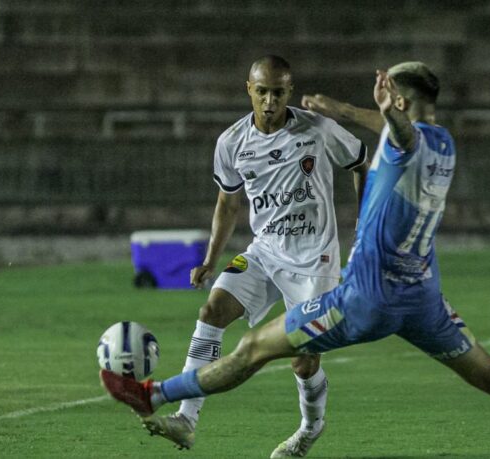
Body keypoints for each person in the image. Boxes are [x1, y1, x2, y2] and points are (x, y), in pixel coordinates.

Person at [101, 62, 490, 459]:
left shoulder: (399, 143)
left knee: (256, 348)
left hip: (365, 298)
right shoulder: (446, 145)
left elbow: (399, 136)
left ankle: (154, 393)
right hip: (424, 299)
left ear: (401, 101)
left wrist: (359, 111)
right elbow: (410, 136)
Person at [142, 55, 369, 457]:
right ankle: (185, 419)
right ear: (249, 88)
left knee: (303, 361)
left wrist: (364, 229)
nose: (269, 101)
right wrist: (211, 258)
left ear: (289, 92)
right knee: (212, 312)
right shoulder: (231, 142)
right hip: (263, 253)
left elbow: (360, 163)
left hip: (314, 261)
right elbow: (228, 204)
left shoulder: (317, 130)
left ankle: (310, 428)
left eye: (278, 93)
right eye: (261, 91)